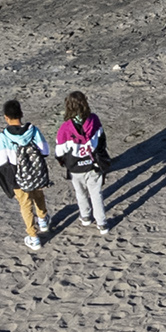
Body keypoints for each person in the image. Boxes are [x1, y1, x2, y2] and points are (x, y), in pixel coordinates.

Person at [0, 102, 54, 250]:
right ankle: (43, 220)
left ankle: (33, 236)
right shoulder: (33, 130)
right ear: (21, 114)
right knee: (38, 195)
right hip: (36, 173)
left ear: (6, 117)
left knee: (25, 205)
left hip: (18, 176)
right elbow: (45, 150)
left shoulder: (3, 137)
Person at [53, 92, 110, 236]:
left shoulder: (65, 129)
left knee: (80, 193)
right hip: (93, 164)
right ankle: (102, 223)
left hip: (75, 167)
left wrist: (64, 163)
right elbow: (102, 139)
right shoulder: (94, 120)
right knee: (96, 194)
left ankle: (85, 217)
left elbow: (59, 152)